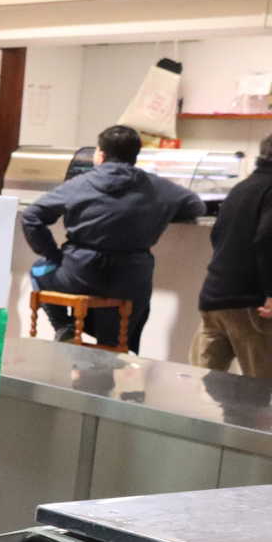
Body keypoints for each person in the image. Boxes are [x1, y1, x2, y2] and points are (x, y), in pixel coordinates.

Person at [19, 124, 204, 346]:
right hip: (131, 281)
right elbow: (196, 207)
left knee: (39, 269)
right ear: (136, 156)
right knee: (116, 340)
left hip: (79, 274)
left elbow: (31, 216)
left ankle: (65, 329)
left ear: (101, 154)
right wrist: (161, 211)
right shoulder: (157, 187)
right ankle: (114, 356)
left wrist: (54, 255)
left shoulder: (80, 184)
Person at [193, 133, 272, 377]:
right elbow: (267, 239)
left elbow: (217, 234)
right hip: (251, 304)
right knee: (262, 392)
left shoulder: (241, 187)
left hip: (214, 297)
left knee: (202, 389)